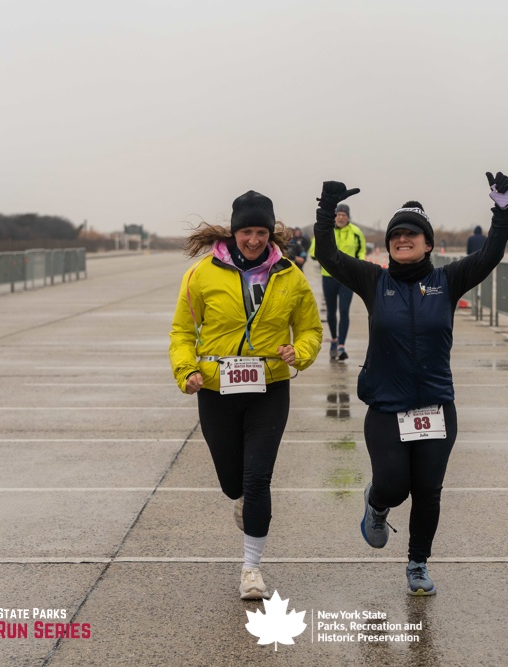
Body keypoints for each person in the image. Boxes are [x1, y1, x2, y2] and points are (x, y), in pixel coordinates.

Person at [312, 170, 508, 596]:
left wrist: (502, 212)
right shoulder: (374, 281)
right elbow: (328, 256)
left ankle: (418, 563)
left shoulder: (447, 281)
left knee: (428, 490)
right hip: (387, 405)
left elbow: (490, 254)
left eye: (412, 234)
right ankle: (376, 503)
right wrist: (326, 210)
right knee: (393, 485)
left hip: (435, 406)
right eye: (396, 234)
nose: (402, 239)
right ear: (389, 244)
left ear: (428, 244)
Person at [170, 190, 323, 600]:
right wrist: (186, 370)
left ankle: (251, 569)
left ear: (271, 233)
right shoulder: (201, 274)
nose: (254, 240)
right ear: (234, 232)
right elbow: (182, 331)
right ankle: (240, 498)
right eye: (246, 232)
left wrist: (300, 352)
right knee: (232, 481)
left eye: (261, 232)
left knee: (258, 478)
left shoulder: (289, 274)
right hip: (216, 389)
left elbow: (310, 328)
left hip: (268, 388)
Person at [309, 203, 365, 361]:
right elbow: (313, 252)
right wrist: (323, 258)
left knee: (344, 310)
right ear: (334, 216)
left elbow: (361, 252)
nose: (341, 217)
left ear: (348, 217)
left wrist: (358, 266)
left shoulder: (356, 232)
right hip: (328, 276)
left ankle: (341, 346)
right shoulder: (326, 230)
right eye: (338, 215)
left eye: (344, 215)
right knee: (331, 311)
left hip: (347, 278)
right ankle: (334, 339)